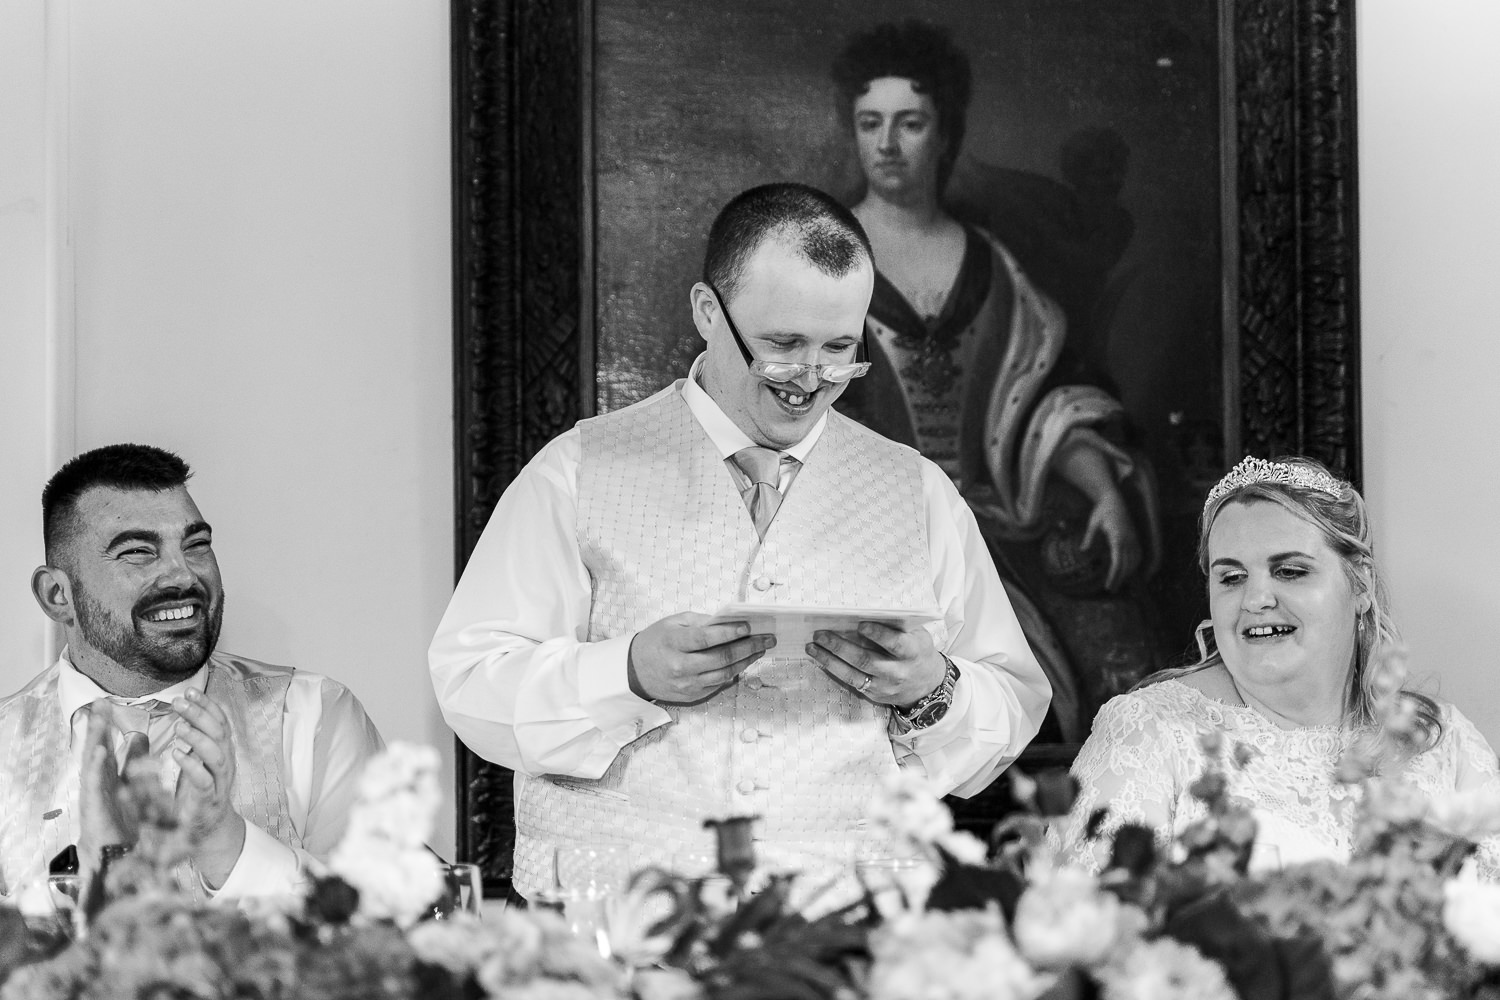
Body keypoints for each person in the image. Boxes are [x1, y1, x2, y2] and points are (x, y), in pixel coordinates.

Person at [429, 182, 1051, 902]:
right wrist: (627, 673)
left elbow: (1011, 701)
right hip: (615, 924)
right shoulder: (576, 470)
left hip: (847, 925)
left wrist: (931, 687)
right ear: (707, 311)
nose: (811, 378)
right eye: (782, 345)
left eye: (840, 349)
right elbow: (472, 680)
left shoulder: (919, 492)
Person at [829, 21, 1163, 742]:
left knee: (1115, 676)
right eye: (870, 123)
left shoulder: (993, 266)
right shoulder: (822, 261)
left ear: (945, 134)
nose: (887, 144)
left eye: (910, 123)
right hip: (860, 537)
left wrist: (1106, 492)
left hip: (999, 527)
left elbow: (1044, 411)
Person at [1058, 456, 1500, 877]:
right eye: (1232, 578)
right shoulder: (1147, 732)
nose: (1255, 600)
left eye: (1289, 571)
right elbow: (1092, 919)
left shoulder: (1444, 742)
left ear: (1361, 583)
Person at [0, 444, 385, 901]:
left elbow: (384, 922)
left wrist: (225, 843)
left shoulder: (313, 716)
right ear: (57, 595)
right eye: (138, 551)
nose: (183, 575)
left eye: (196, 545)